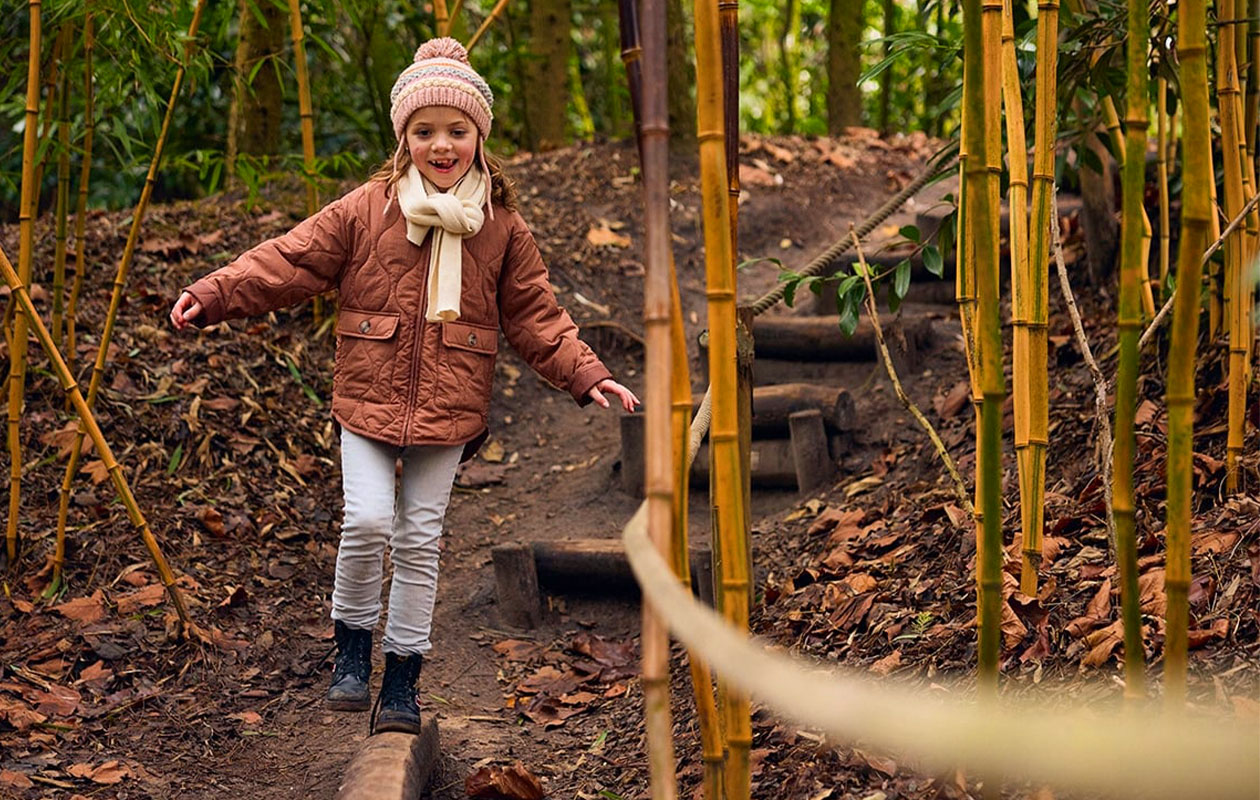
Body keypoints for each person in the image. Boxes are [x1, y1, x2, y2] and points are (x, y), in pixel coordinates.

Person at [169, 37, 638, 735]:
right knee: (365, 522)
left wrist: (587, 371)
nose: (440, 145)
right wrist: (214, 292)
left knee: (420, 540)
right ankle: (352, 652)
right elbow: (290, 260)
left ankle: (403, 680)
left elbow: (536, 314)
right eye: (424, 131)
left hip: (450, 407)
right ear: (404, 139)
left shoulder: (501, 227)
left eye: (455, 130)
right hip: (367, 394)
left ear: (479, 137)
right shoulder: (367, 210)